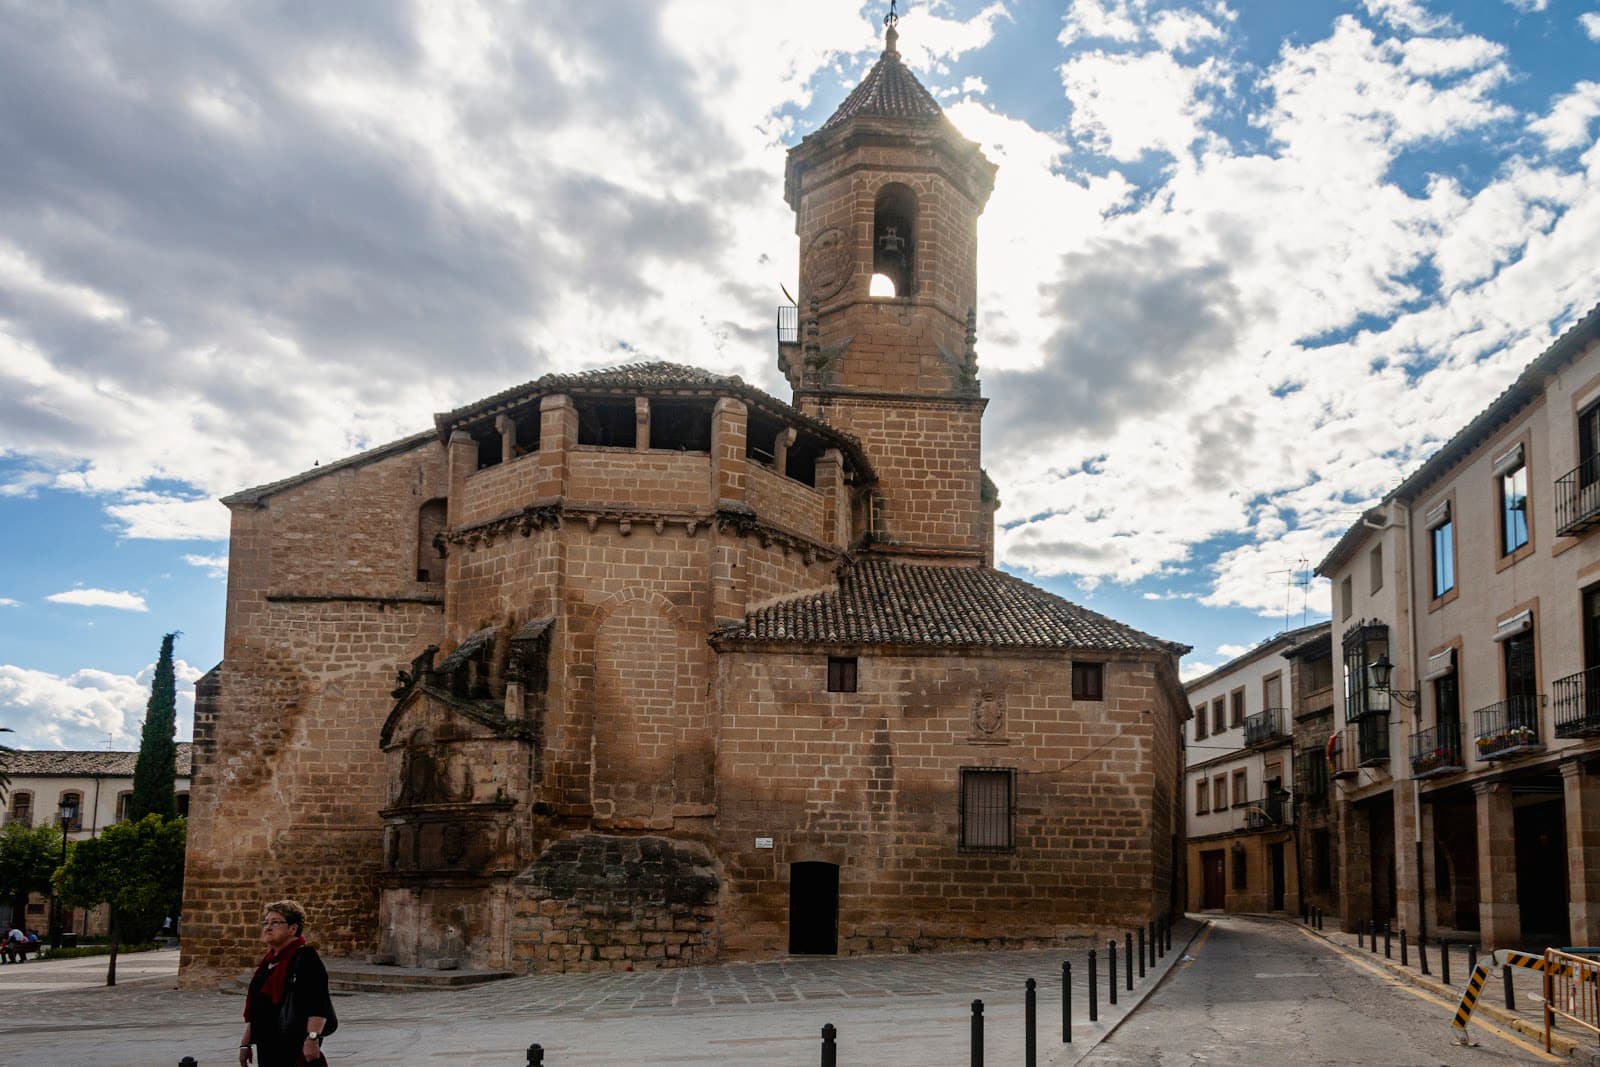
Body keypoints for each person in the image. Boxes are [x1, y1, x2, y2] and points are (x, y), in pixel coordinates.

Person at [239, 900, 335, 1066]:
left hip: (295, 1046)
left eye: (275, 922)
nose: (268, 927)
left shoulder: (306, 957)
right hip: (268, 1046)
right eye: (266, 923)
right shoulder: (268, 962)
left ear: (293, 929)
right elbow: (258, 1007)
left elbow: (318, 1002)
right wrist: (245, 1043)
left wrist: (312, 1038)